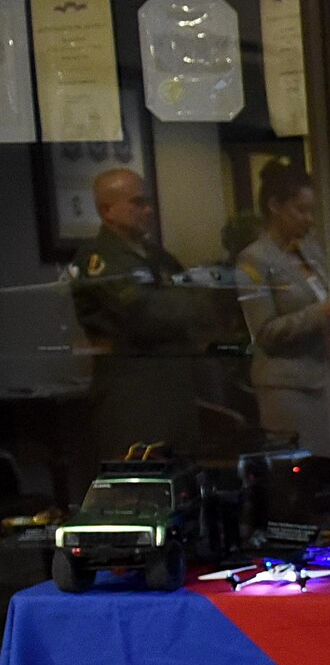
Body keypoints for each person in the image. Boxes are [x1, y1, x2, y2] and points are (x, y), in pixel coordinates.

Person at [67, 168, 205, 461]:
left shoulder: (157, 256)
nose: (148, 211)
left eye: (147, 202)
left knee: (184, 487)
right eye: (137, 203)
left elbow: (201, 301)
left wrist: (179, 305)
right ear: (107, 210)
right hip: (133, 395)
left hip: (175, 390)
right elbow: (144, 313)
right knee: (139, 490)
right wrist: (177, 305)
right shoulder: (99, 257)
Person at [235, 160, 330, 456]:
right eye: (301, 210)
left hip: (325, 376)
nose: (309, 219)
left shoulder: (310, 250)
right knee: (302, 468)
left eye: (312, 211)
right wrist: (318, 313)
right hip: (287, 385)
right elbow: (265, 332)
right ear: (275, 206)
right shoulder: (254, 259)